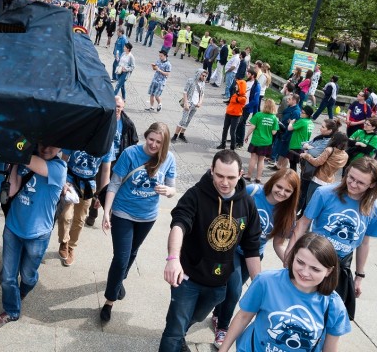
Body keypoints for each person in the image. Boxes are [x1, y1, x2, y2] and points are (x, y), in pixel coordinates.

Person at [158, 149, 262, 352]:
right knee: (174, 328)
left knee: (194, 317)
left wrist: (260, 285)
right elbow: (179, 225)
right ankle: (176, 338)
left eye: (231, 177)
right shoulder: (195, 195)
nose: (225, 182)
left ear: (240, 175)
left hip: (218, 283)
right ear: (211, 170)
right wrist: (173, 258)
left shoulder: (247, 204)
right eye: (220, 175)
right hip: (187, 278)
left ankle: (180, 334)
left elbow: (252, 248)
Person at [211, 169, 301, 348]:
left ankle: (217, 314)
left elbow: (277, 244)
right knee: (235, 290)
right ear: (272, 182)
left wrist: (291, 263)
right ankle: (223, 327)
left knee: (231, 290)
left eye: (288, 191)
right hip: (232, 248)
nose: (282, 193)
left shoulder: (287, 213)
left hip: (253, 255)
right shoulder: (253, 192)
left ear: (293, 193)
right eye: (279, 187)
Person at [285, 157, 377, 320]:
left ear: (372, 184)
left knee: (329, 315)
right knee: (299, 308)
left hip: (341, 266)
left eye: (360, 183)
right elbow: (303, 223)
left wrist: (359, 276)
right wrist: (290, 252)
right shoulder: (325, 193)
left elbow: (364, 243)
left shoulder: (375, 208)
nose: (352, 184)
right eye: (350, 177)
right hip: (314, 259)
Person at [218, 232, 351, 352]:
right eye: (300, 262)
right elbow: (243, 317)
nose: (304, 273)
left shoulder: (334, 306)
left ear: (329, 271)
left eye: (315, 269)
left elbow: (330, 347)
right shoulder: (266, 282)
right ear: (293, 256)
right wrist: (223, 350)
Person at [101, 122, 176, 323]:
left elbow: (172, 188)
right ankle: (109, 300)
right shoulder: (130, 154)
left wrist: (167, 191)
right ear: (146, 136)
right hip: (122, 212)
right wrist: (106, 212)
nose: (153, 145)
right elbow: (114, 183)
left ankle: (119, 280)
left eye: (158, 142)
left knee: (133, 252)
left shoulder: (168, 158)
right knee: (121, 258)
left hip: (148, 216)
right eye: (151, 139)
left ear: (165, 143)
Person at [0, 144, 67, 328]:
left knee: (28, 276)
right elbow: (12, 190)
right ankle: (11, 311)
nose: (46, 148)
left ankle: (24, 289)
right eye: (42, 143)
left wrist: (17, 144)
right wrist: (14, 165)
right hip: (13, 227)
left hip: (38, 234)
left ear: (61, 148)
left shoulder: (59, 168)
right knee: (9, 278)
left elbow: (30, 159)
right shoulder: (25, 159)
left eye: (52, 145)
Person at [86, 96, 139, 228]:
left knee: (112, 189)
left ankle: (109, 215)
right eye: (115, 106)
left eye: (119, 107)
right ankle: (92, 215)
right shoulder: (103, 118)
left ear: (123, 107)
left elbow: (134, 142)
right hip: (102, 158)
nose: (117, 109)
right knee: (98, 187)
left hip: (118, 161)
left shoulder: (128, 124)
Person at [57, 147, 113, 266]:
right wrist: (62, 182)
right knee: (65, 216)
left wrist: (101, 194)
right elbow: (64, 160)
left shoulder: (107, 140)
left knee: (80, 218)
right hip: (70, 181)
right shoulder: (79, 131)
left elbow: (106, 170)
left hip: (88, 185)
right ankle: (64, 241)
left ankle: (71, 246)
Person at [299, 125, 348, 210]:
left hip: (318, 178)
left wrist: (306, 156)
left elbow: (317, 162)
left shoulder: (329, 150)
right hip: (330, 180)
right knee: (319, 204)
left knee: (309, 202)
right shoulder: (345, 155)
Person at [243, 98, 279, 182]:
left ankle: (249, 175)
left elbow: (252, 127)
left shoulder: (258, 115)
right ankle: (258, 178)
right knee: (261, 160)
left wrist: (247, 136)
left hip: (256, 140)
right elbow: (274, 132)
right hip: (266, 142)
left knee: (253, 158)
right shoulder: (274, 118)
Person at [172, 69, 207, 143]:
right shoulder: (191, 81)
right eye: (203, 75)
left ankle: (181, 134)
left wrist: (200, 102)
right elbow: (185, 92)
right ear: (198, 74)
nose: (204, 77)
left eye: (205, 76)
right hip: (189, 103)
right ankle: (175, 135)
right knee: (183, 120)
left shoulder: (203, 83)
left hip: (195, 105)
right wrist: (186, 103)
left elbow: (202, 94)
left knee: (188, 120)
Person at [217, 77, 247, 150]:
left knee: (232, 131)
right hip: (229, 114)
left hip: (236, 116)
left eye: (237, 85)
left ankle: (232, 148)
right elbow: (232, 100)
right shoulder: (236, 95)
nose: (235, 86)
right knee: (225, 129)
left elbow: (234, 100)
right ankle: (223, 144)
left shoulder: (243, 98)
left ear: (241, 87)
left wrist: (235, 96)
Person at [285, 105, 314, 173]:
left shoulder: (302, 121)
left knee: (292, 166)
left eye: (302, 112)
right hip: (303, 146)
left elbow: (289, 128)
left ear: (307, 114)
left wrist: (291, 123)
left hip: (296, 145)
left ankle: (293, 180)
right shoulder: (310, 122)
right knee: (301, 166)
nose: (300, 113)